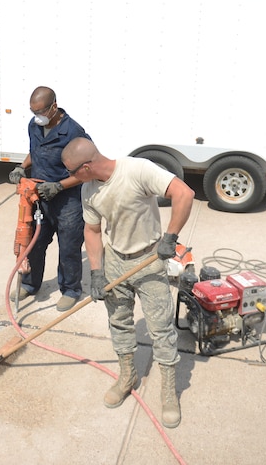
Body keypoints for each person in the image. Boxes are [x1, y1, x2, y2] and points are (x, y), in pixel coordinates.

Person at [61, 137, 194, 428]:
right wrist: (96, 272)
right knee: (119, 322)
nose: (70, 178)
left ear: (86, 166)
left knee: (161, 329)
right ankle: (127, 375)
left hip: (148, 261)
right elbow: (93, 231)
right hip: (115, 262)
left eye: (73, 171)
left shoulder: (137, 170)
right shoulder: (89, 189)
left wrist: (170, 237)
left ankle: (169, 391)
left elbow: (184, 193)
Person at [8, 86, 91, 312]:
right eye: (33, 111)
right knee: (34, 243)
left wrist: (59, 185)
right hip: (40, 197)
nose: (37, 116)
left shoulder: (73, 132)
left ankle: (71, 289)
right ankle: (30, 283)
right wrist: (22, 167)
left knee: (69, 246)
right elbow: (35, 152)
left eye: (41, 111)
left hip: (67, 201)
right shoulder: (34, 125)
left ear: (54, 107)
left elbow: (88, 169)